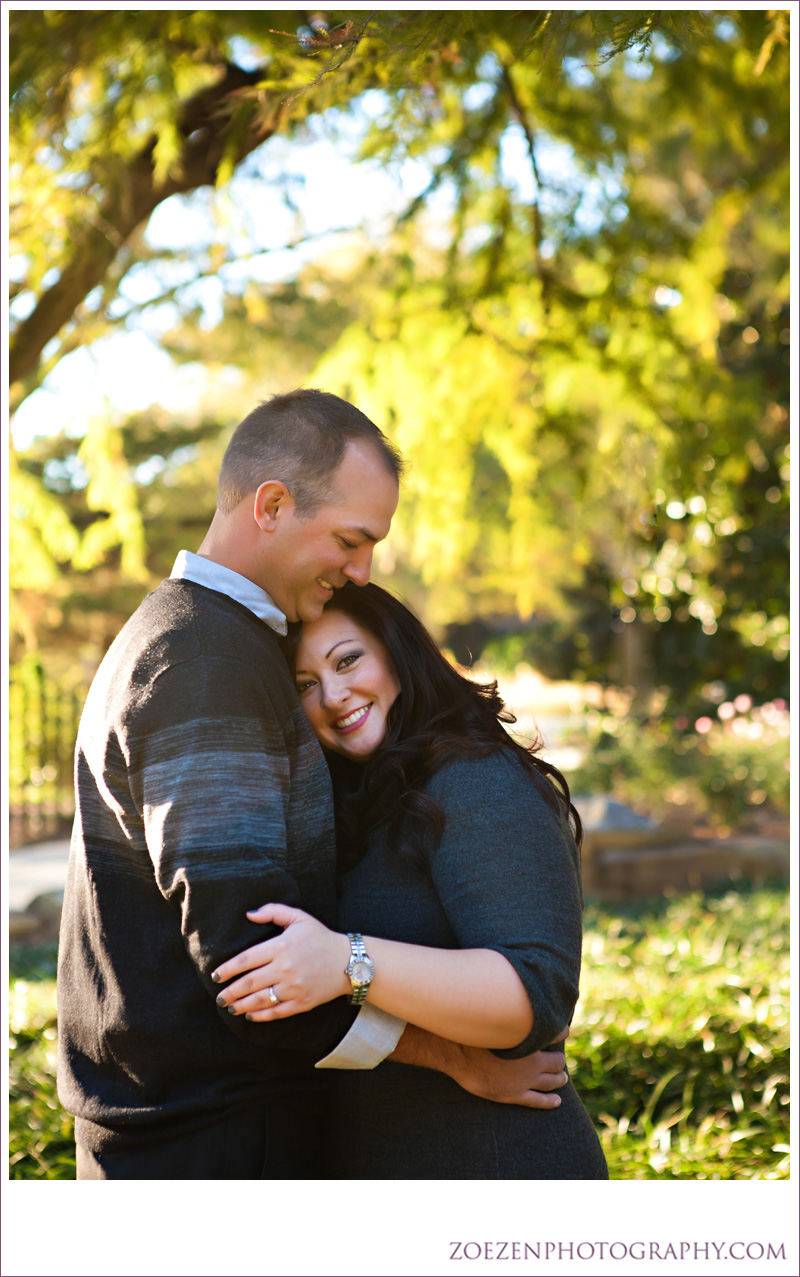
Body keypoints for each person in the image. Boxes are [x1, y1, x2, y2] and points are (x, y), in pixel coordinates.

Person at [57, 388, 567, 1181]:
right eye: (350, 539)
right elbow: (255, 959)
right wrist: (454, 1058)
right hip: (209, 1148)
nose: (362, 570)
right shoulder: (204, 659)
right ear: (271, 504)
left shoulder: (191, 638)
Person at [213, 582, 608, 1179]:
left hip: (495, 1168)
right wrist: (449, 1057)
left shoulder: (476, 779)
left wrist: (349, 964)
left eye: (348, 660)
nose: (334, 695)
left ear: (398, 652)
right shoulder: (364, 797)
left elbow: (532, 998)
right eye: (305, 685)